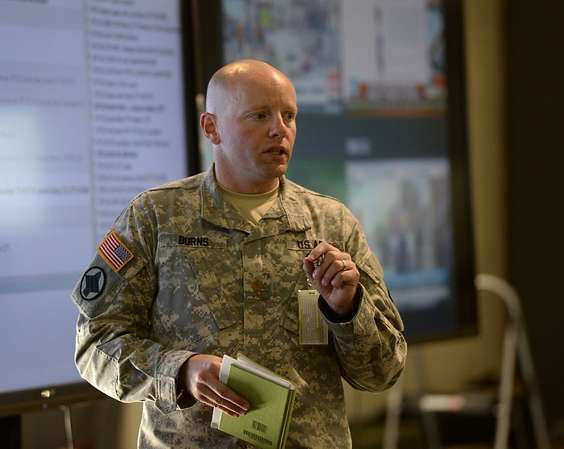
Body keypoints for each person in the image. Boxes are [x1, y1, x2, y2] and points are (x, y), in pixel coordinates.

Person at [71, 59, 407, 449]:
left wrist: (348, 309)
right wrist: (180, 371)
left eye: (289, 116)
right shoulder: (155, 218)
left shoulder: (332, 224)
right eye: (259, 115)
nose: (279, 129)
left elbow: (383, 371)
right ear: (212, 128)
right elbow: (96, 344)